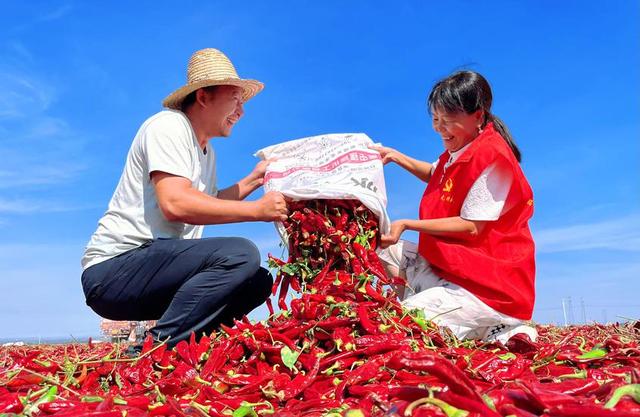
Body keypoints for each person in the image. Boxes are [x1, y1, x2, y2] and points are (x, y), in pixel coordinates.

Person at [81, 48, 288, 349]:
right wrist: (257, 211)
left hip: (156, 272)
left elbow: (208, 200)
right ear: (203, 97)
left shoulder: (207, 152)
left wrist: (254, 180)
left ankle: (189, 345)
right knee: (241, 252)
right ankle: (152, 350)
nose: (241, 111)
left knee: (256, 281)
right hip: (114, 270)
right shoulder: (168, 126)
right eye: (235, 98)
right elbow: (176, 204)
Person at [373, 70, 536, 343]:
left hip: (487, 286)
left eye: (448, 121)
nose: (439, 128)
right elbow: (437, 174)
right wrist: (397, 156)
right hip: (451, 268)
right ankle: (477, 326)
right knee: (380, 248)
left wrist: (407, 224)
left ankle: (501, 324)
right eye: (436, 120)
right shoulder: (462, 148)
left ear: (478, 116)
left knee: (401, 322)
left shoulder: (492, 157)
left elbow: (471, 226)